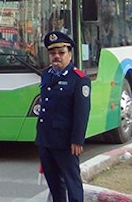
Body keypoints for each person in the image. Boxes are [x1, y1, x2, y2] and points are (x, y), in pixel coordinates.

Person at [36, 31, 91, 202]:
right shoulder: (47, 75)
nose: (56, 57)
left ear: (70, 54)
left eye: (61, 53)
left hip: (66, 141)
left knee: (71, 181)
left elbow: (82, 111)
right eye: (53, 53)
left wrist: (77, 139)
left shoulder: (79, 79)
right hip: (46, 139)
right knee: (54, 184)